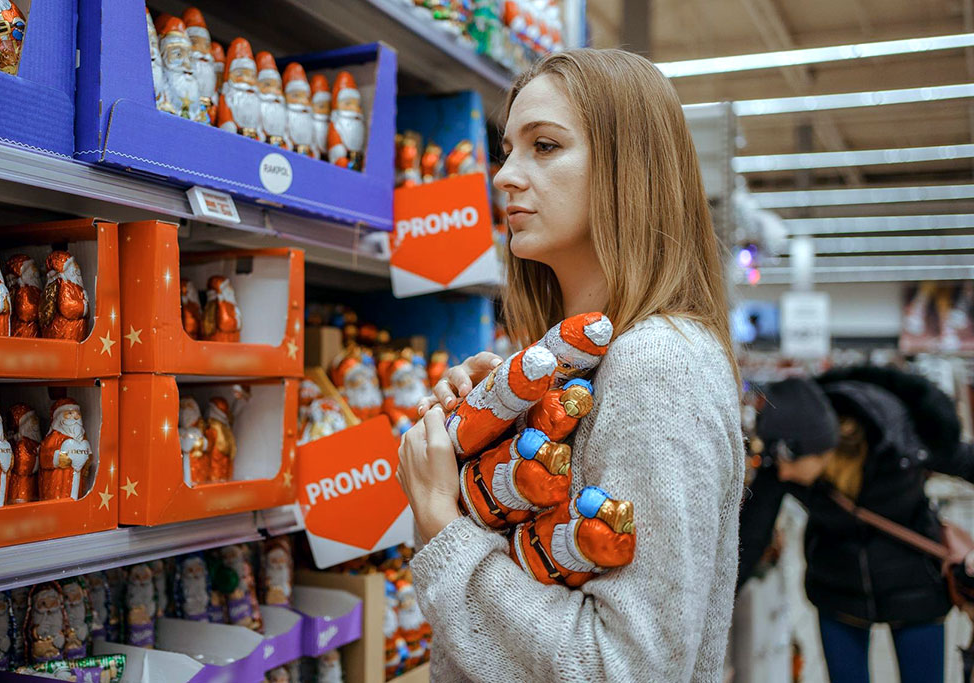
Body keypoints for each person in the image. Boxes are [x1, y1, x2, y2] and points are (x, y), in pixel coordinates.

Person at [396, 49, 744, 681]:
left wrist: (443, 525)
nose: (504, 175)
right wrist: (482, 454)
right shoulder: (587, 357)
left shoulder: (656, 365)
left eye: (545, 146)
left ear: (627, 170)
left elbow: (624, 668)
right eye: (507, 150)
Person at [739, 368, 974, 683]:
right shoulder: (784, 453)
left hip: (915, 584)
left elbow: (967, 463)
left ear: (815, 447)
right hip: (837, 587)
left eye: (786, 466)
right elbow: (751, 538)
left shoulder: (900, 438)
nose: (781, 475)